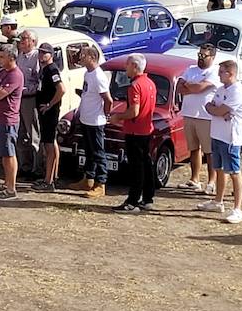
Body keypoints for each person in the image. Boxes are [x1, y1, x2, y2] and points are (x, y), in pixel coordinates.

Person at [200, 58, 242, 224]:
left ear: (231, 73)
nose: (219, 75)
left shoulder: (237, 91)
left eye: (222, 72)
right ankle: (217, 201)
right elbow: (210, 106)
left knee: (234, 173)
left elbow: (220, 109)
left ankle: (237, 209)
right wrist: (217, 111)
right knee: (219, 169)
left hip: (230, 138)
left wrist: (218, 111)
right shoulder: (221, 89)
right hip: (217, 135)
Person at [109, 53, 156, 214]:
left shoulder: (135, 86)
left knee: (136, 167)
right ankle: (148, 198)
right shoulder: (150, 83)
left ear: (135, 67)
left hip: (135, 131)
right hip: (146, 129)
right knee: (146, 164)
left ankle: (132, 201)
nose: (125, 68)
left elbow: (134, 111)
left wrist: (118, 117)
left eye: (127, 65)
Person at [178, 44, 221, 192]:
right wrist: (192, 87)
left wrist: (190, 86)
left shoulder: (214, 72)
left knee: (209, 152)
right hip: (189, 114)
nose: (200, 58)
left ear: (212, 57)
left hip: (205, 117)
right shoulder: (190, 69)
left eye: (204, 56)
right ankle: (194, 179)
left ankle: (211, 182)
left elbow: (200, 88)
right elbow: (179, 87)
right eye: (199, 55)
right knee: (194, 149)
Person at [71, 45, 111, 199]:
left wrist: (106, 115)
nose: (80, 58)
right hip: (86, 118)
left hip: (96, 120)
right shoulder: (88, 74)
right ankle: (88, 178)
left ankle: (101, 183)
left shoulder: (98, 76)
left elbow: (108, 99)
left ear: (92, 58)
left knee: (98, 152)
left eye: (83, 55)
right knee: (88, 151)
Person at [0, 45, 25, 200]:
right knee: (3, 154)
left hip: (8, 119)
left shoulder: (15, 75)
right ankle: (7, 182)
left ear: (11, 57)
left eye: (2, 57)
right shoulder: (2, 73)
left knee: (9, 154)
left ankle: (11, 188)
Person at [33, 41, 65, 192]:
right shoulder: (44, 69)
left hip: (50, 113)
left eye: (44, 53)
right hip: (44, 112)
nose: (41, 55)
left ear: (51, 55)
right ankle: (51, 177)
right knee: (50, 142)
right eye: (39, 52)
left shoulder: (52, 70)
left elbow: (61, 89)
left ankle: (49, 181)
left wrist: (50, 104)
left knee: (49, 145)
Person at [15, 31, 42, 177]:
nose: (21, 41)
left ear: (33, 41)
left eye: (24, 39)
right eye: (21, 39)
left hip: (30, 99)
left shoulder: (36, 57)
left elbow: (39, 82)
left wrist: (25, 89)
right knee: (20, 134)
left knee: (33, 134)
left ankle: (37, 169)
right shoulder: (20, 55)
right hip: (18, 99)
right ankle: (24, 166)